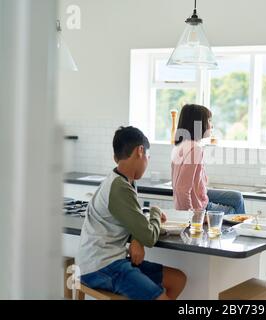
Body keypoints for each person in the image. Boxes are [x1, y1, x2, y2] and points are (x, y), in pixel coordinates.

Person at [77, 126, 186, 300]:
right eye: (148, 157)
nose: (147, 162)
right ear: (140, 151)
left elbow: (134, 221)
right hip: (101, 266)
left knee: (177, 279)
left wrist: (137, 238)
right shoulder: (119, 187)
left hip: (112, 261)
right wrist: (156, 212)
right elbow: (149, 236)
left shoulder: (125, 180)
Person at [171, 104, 246, 215]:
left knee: (237, 197)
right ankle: (237, 230)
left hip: (199, 196)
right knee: (232, 212)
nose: (212, 125)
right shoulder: (194, 149)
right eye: (209, 120)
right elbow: (181, 189)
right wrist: (192, 216)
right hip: (198, 208)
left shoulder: (180, 146)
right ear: (198, 123)